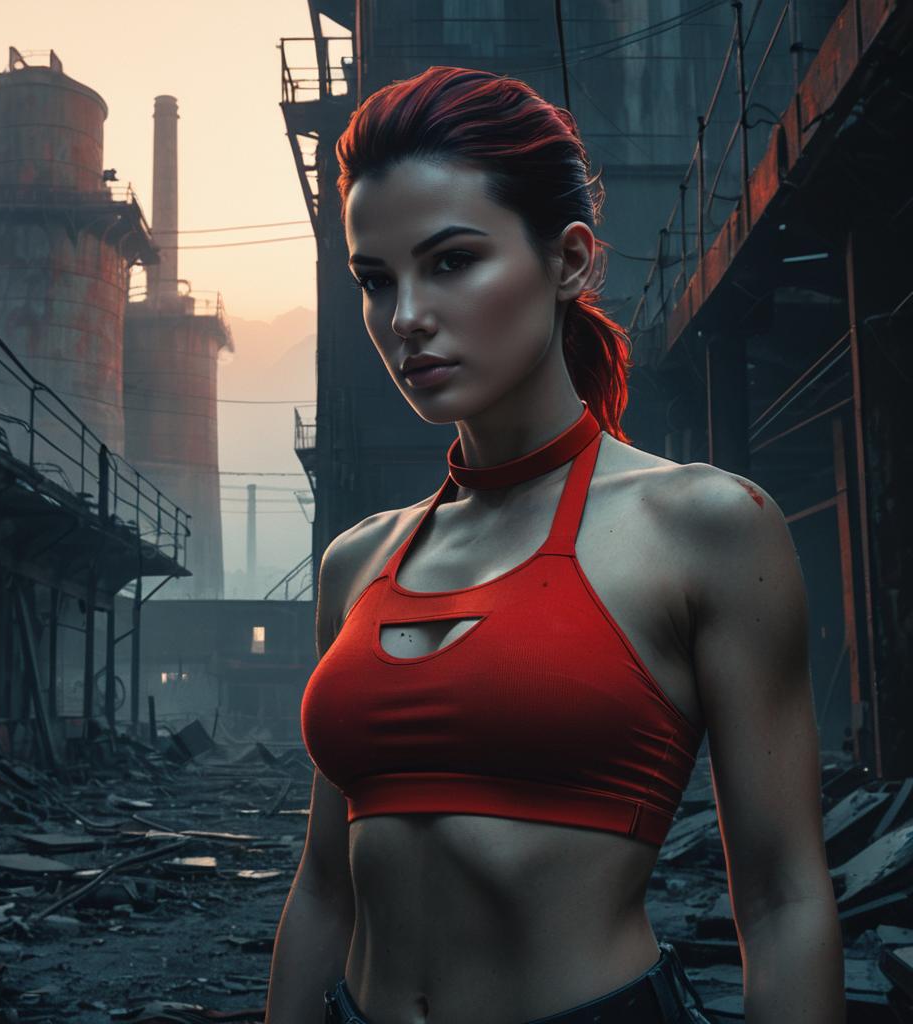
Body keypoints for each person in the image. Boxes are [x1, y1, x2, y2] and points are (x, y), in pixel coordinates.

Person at [264, 66, 844, 1024]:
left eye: (452, 262)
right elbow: (325, 889)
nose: (406, 317)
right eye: (376, 280)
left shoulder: (705, 527)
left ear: (568, 262)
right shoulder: (357, 564)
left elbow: (784, 900)